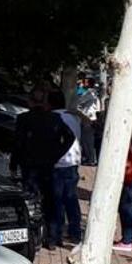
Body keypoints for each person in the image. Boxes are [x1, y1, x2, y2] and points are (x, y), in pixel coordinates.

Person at [9, 84, 77, 250]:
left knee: (31, 200)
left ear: (30, 101)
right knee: (51, 201)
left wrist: (13, 164)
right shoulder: (53, 118)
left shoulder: (24, 119)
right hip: (48, 165)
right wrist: (55, 154)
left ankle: (32, 235)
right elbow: (69, 137)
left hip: (30, 165)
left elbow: (18, 143)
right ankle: (52, 237)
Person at [50, 91, 84, 246]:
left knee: (57, 200)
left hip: (59, 163)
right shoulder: (72, 117)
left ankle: (56, 233)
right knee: (71, 199)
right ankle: (75, 232)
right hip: (73, 161)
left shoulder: (54, 118)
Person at [114, 147, 132, 252]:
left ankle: (127, 240)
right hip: (131, 175)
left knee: (125, 208)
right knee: (129, 208)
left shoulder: (125, 147)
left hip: (127, 176)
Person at [75, 74, 100, 165]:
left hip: (88, 119)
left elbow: (79, 101)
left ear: (89, 84)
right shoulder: (94, 93)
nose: (83, 83)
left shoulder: (90, 93)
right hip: (89, 118)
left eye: (85, 82)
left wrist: (79, 89)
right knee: (86, 140)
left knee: (88, 140)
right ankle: (89, 158)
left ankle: (91, 159)